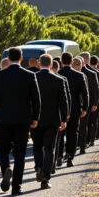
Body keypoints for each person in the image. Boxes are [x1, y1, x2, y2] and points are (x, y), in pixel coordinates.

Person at [0, 47, 41, 195]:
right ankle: (16, 186)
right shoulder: (30, 75)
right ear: (21, 58)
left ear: (9, 58)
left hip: (4, 119)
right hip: (23, 120)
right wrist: (35, 117)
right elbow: (36, 100)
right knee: (20, 154)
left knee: (3, 150)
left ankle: (6, 168)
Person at [31, 54, 68, 189]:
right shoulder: (59, 80)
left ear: (39, 64)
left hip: (36, 119)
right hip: (53, 119)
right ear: (51, 65)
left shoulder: (33, 77)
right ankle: (46, 177)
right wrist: (64, 119)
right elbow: (64, 102)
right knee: (50, 148)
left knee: (37, 146)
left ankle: (38, 167)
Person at [58, 52, 89, 166]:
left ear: (61, 62)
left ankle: (59, 155)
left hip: (61, 110)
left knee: (60, 133)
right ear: (72, 62)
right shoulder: (80, 76)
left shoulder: (57, 74)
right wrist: (85, 108)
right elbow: (85, 94)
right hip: (75, 109)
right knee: (73, 133)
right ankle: (70, 156)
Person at [76, 53, 99, 153]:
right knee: (84, 125)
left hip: (77, 103)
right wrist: (95, 103)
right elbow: (97, 90)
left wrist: (95, 103)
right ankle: (82, 145)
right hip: (87, 102)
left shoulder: (92, 73)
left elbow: (96, 89)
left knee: (77, 126)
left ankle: (78, 144)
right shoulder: (92, 73)